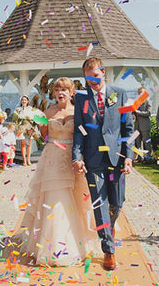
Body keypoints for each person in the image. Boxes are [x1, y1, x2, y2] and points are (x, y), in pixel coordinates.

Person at [18, 77, 99, 266]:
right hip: (53, 159)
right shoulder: (46, 112)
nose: (60, 93)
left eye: (64, 89)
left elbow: (85, 135)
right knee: (55, 200)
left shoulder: (78, 111)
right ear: (53, 93)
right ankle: (53, 247)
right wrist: (32, 124)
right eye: (57, 90)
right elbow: (45, 136)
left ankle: (79, 241)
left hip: (73, 160)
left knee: (77, 200)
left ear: (72, 92)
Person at [72, 57, 134, 271]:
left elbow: (128, 129)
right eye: (88, 77)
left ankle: (110, 228)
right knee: (100, 204)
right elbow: (79, 130)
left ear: (103, 73)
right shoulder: (81, 99)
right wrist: (76, 157)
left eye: (95, 76)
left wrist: (129, 156)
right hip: (93, 160)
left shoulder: (121, 94)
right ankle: (108, 249)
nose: (92, 81)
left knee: (116, 203)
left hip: (116, 158)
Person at [132, 87, 152, 162]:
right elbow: (133, 112)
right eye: (139, 92)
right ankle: (140, 157)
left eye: (142, 92)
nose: (141, 94)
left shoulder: (148, 101)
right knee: (138, 143)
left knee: (147, 142)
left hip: (145, 125)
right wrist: (133, 113)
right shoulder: (136, 102)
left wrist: (137, 112)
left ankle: (148, 158)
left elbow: (148, 113)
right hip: (137, 125)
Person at [14, 95, 34, 166]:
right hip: (21, 127)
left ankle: (28, 160)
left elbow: (33, 119)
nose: (24, 101)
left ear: (28, 101)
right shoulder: (18, 109)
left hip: (29, 127)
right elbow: (15, 120)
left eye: (25, 100)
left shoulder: (30, 109)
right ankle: (24, 160)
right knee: (23, 144)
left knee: (28, 144)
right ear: (21, 101)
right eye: (22, 100)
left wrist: (32, 128)